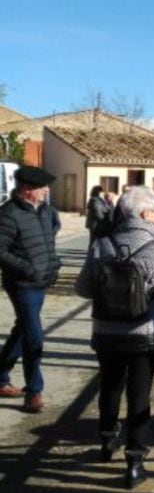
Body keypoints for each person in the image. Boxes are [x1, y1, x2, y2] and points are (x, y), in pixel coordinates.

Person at [75, 187, 154, 488]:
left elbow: (83, 289)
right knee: (140, 392)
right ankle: (134, 461)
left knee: (110, 386)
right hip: (146, 332)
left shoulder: (101, 244)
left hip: (106, 331)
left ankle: (106, 441)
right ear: (146, 214)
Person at [0, 166, 61, 413]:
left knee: (23, 329)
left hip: (42, 281)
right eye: (42, 187)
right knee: (34, 335)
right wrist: (28, 268)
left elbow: (50, 238)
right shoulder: (8, 214)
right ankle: (33, 391)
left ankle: (1, 376)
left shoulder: (47, 211)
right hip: (22, 283)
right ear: (27, 190)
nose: (47, 191)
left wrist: (54, 264)